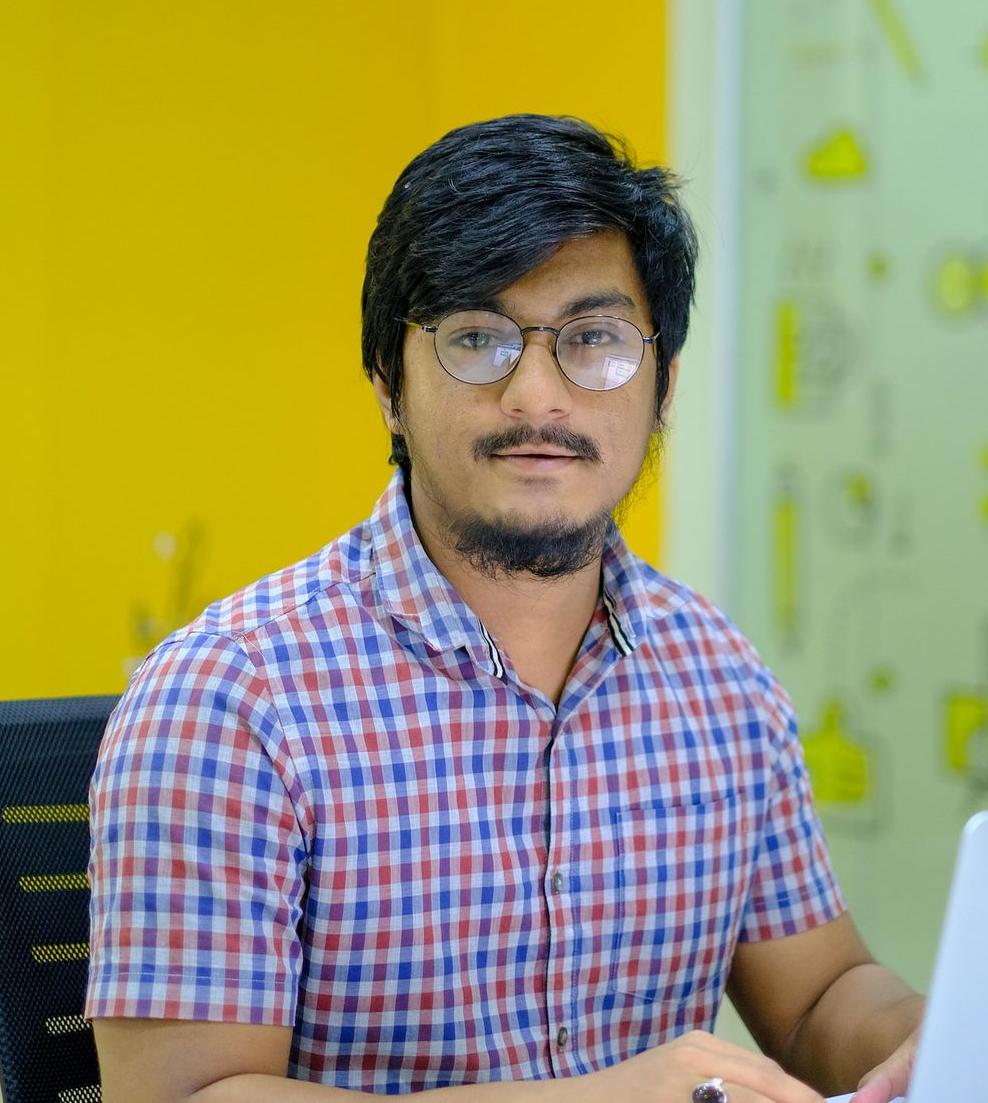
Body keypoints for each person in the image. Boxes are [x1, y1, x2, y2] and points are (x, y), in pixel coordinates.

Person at [86, 114, 923, 1103]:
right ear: (387, 385)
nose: (536, 395)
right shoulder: (229, 697)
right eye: (476, 338)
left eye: (594, 339)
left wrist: (937, 1039)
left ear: (660, 390)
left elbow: (820, 994)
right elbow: (186, 1097)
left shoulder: (718, 674)